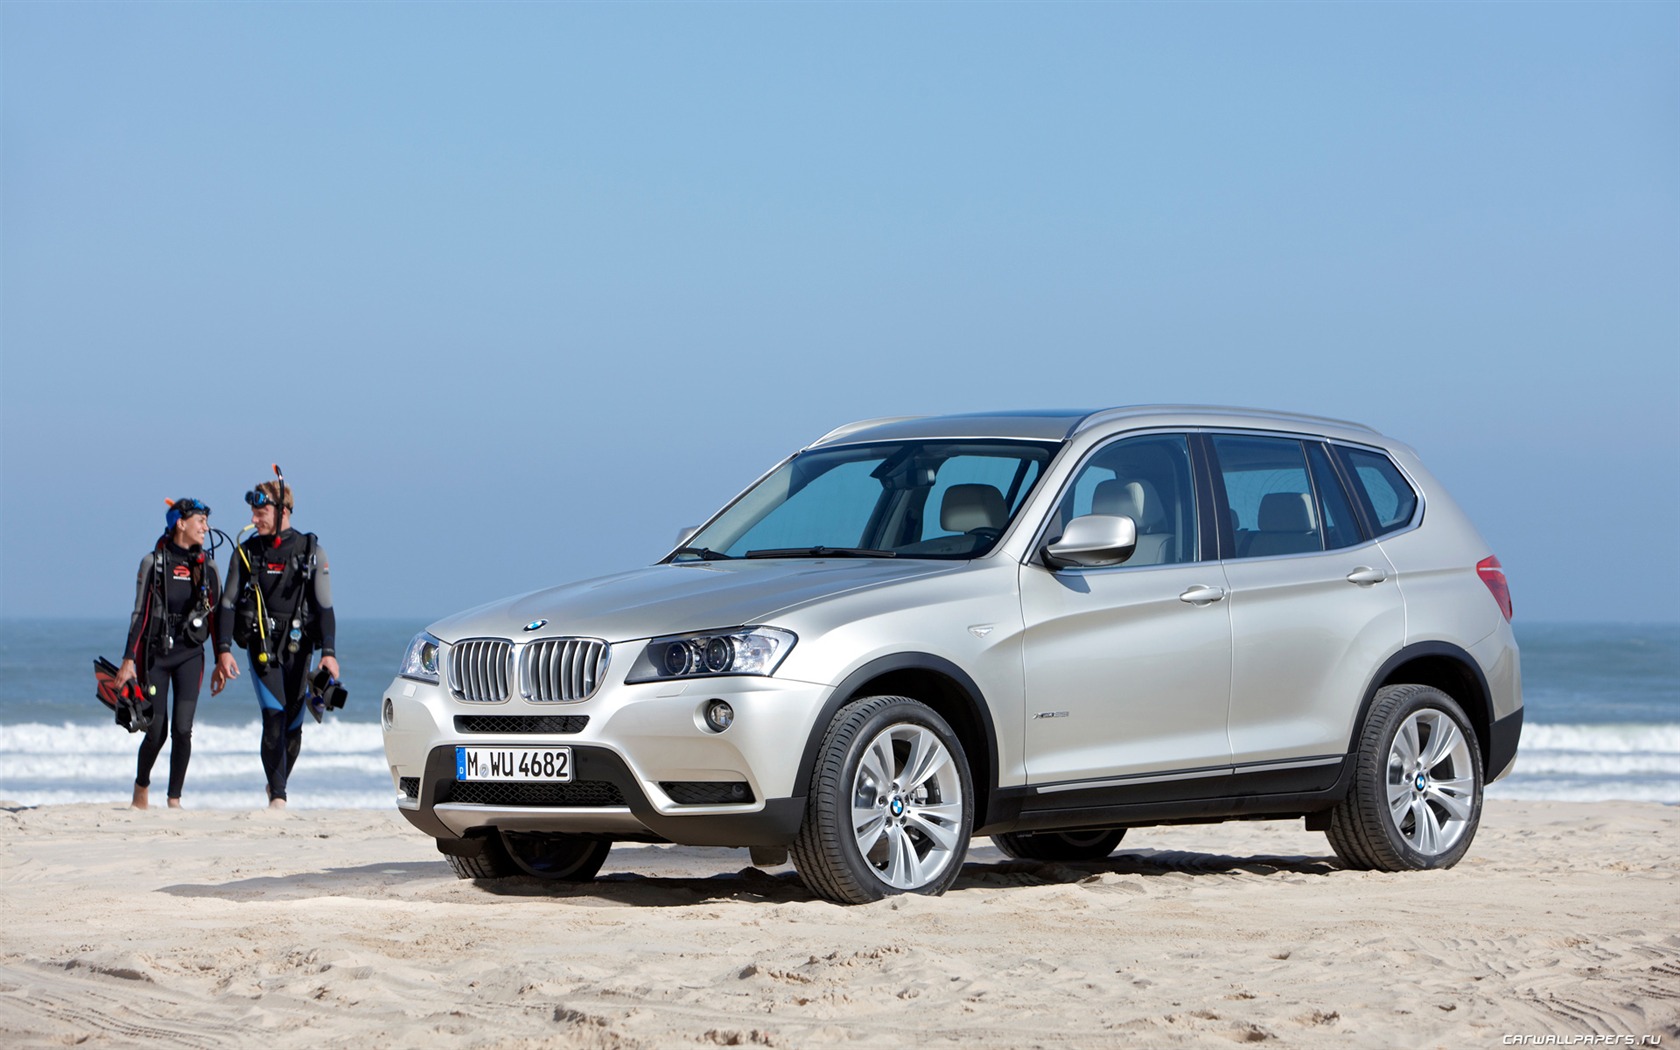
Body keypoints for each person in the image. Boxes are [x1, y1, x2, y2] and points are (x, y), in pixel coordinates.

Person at [211, 478, 339, 809]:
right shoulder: (246, 552)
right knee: (274, 716)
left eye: (261, 512)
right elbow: (227, 603)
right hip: (262, 646)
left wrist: (329, 654)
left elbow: (325, 607)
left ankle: (275, 784)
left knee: (294, 727)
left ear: (283, 510)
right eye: (253, 513)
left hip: (300, 646)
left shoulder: (311, 551)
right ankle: (279, 798)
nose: (254, 519)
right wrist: (223, 651)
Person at [118, 498, 221, 810]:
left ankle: (174, 800)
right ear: (181, 523)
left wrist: (222, 658)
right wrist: (128, 659)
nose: (206, 527)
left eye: (206, 521)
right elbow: (139, 614)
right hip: (156, 655)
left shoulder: (208, 566)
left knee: (183, 730)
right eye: (200, 521)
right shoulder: (153, 563)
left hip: (190, 654)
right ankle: (141, 786)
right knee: (156, 732)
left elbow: (216, 619)